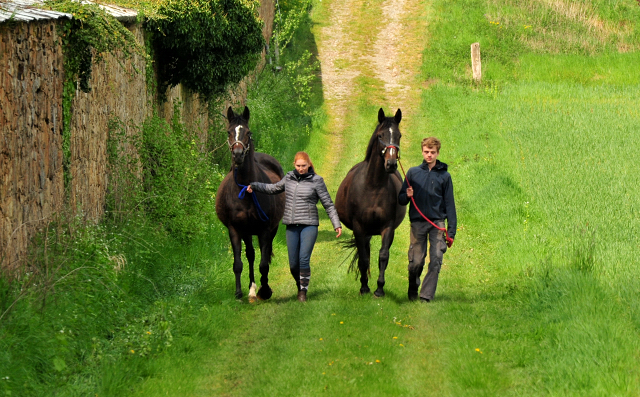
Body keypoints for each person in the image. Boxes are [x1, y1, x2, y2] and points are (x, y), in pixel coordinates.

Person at [247, 152, 342, 302]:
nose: (301, 169)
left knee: (303, 259)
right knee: (293, 265)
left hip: (309, 225)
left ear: (309, 164)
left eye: (303, 166)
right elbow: (273, 188)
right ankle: (300, 285)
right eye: (298, 166)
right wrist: (255, 186)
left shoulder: (317, 181)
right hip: (292, 226)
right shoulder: (289, 178)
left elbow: (328, 204)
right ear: (294, 165)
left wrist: (336, 224)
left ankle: (302, 293)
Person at [398, 137, 457, 302]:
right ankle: (412, 285)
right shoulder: (412, 173)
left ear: (438, 153)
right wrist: (406, 195)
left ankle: (425, 296)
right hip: (418, 224)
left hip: (437, 224)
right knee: (416, 261)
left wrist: (451, 231)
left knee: (436, 259)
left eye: (432, 152)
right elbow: (401, 199)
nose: (429, 155)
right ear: (422, 152)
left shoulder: (445, 177)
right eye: (426, 152)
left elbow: (450, 205)